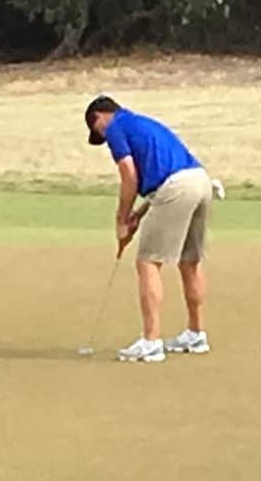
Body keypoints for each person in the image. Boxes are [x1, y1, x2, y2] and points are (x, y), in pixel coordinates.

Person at [85, 94, 213, 363]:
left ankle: (151, 342)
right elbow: (161, 183)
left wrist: (121, 218)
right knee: (189, 261)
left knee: (148, 262)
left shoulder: (115, 127)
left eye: (97, 131)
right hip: (201, 182)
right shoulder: (142, 123)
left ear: (99, 117)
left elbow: (129, 175)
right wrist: (138, 215)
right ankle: (196, 334)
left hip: (178, 187)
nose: (103, 138)